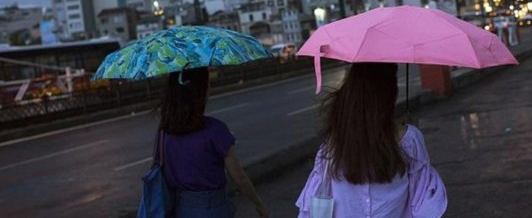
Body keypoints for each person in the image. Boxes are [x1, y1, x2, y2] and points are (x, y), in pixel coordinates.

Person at [296, 63, 447, 217]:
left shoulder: (333, 144)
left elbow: (311, 206)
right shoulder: (409, 141)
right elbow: (424, 206)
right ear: (390, 95)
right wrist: (410, 132)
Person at [157, 67, 269, 217]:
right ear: (200, 91)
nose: (210, 88)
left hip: (181, 209)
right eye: (207, 84)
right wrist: (259, 204)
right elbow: (238, 177)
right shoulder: (215, 130)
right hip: (213, 209)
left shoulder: (165, 132)